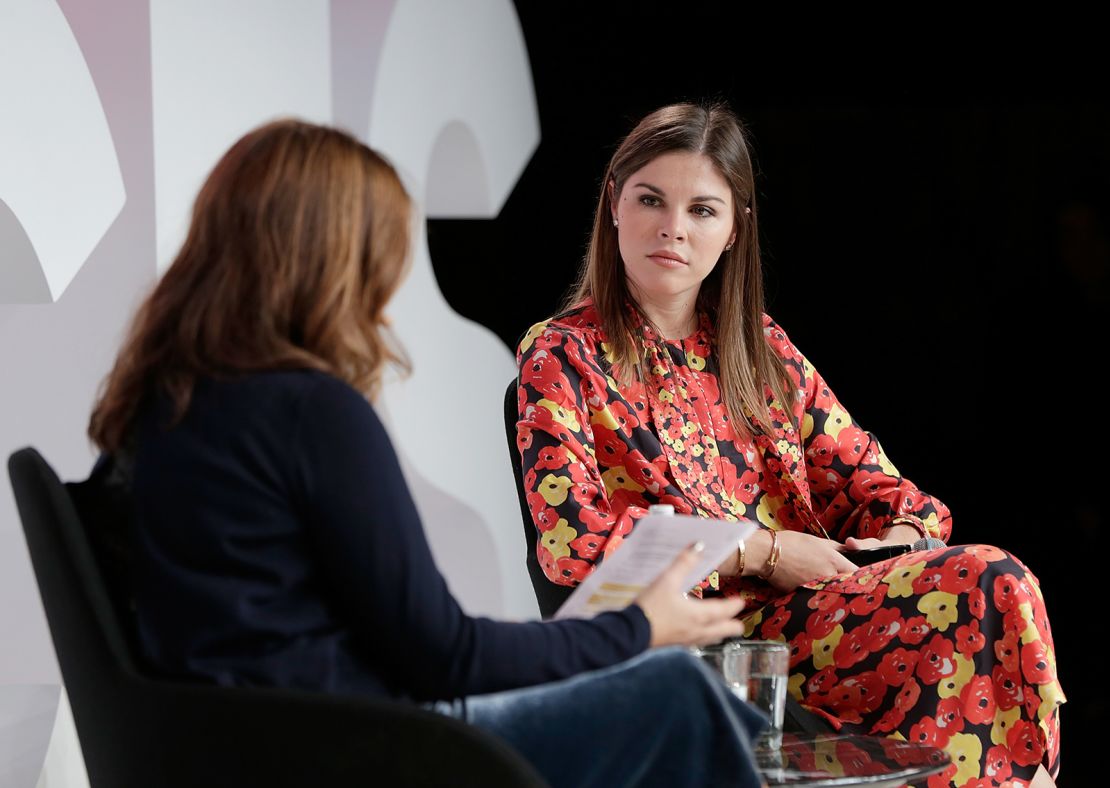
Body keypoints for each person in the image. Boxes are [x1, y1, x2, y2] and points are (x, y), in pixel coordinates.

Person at [85, 119, 768, 788]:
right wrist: (638, 627)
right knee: (674, 688)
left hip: (249, 745)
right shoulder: (310, 412)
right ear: (335, 262)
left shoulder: (164, 403)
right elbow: (445, 655)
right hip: (354, 749)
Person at [514, 102, 1064, 787]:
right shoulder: (563, 354)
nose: (673, 229)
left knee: (992, 587)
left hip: (810, 625)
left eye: (703, 211)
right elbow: (573, 547)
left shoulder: (759, 349)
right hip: (693, 641)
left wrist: (893, 540)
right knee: (987, 586)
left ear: (734, 228)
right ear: (613, 205)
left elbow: (898, 495)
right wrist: (763, 550)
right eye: (651, 200)